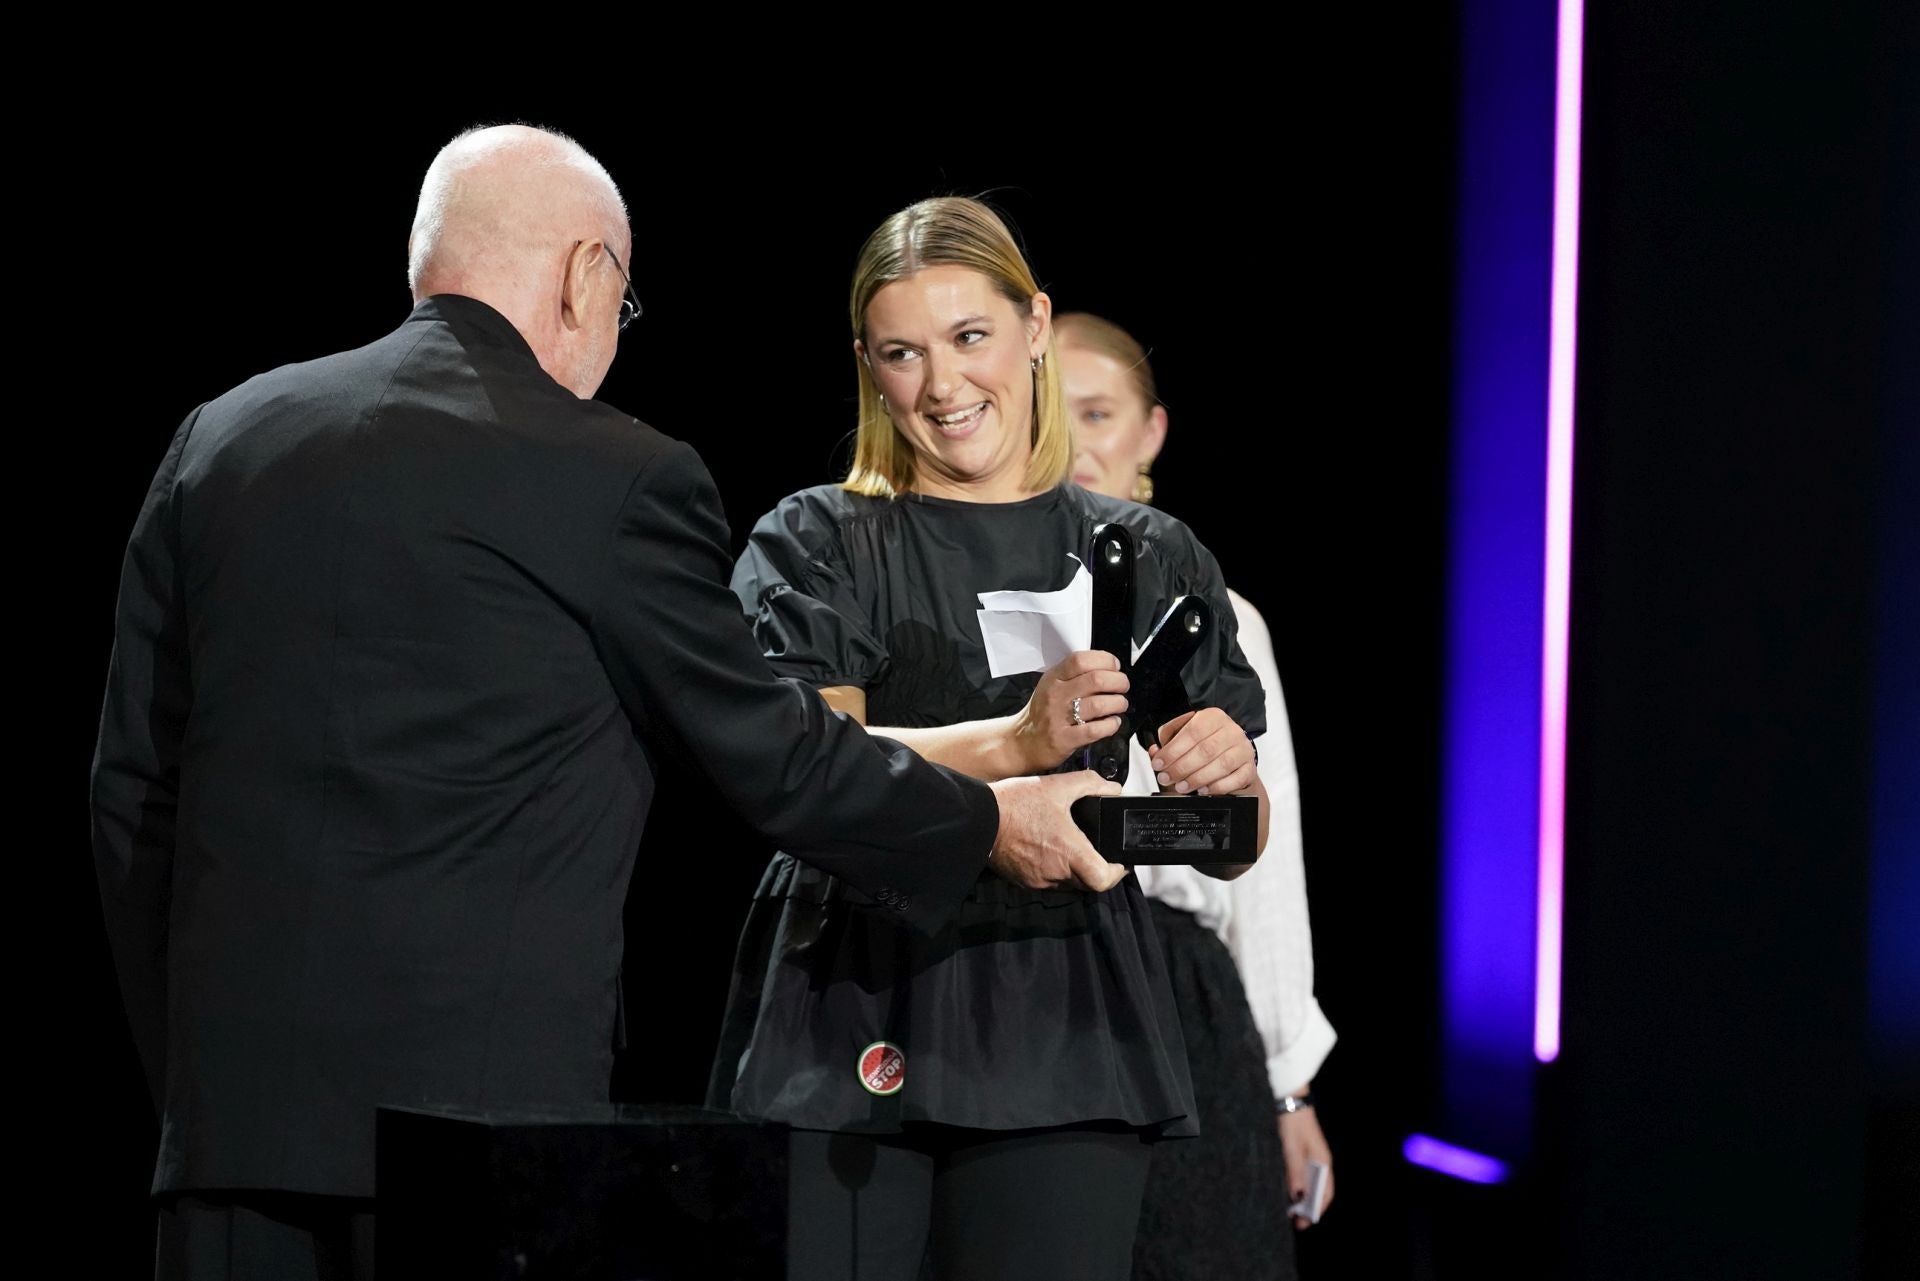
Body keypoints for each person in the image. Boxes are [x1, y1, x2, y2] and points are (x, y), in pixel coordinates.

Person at [89, 127, 1122, 1281]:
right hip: (484, 1130)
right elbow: (771, 753)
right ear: (588, 277)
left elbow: (133, 790)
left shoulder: (221, 439)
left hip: (234, 1125)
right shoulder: (616, 473)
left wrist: (193, 1070)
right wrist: (989, 822)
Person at [707, 197, 1271, 1281]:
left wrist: (1223, 783)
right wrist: (1013, 745)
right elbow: (810, 773)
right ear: (869, 368)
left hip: (1070, 1020)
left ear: (1037, 328)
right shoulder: (817, 540)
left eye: (970, 338)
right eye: (903, 353)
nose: (945, 385)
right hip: (852, 997)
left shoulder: (1150, 552)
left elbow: (1232, 843)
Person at [1055, 311, 1339, 1280]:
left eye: (1097, 412)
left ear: (1151, 432)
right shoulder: (970, 600)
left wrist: (1287, 1090)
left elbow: (1267, 866)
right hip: (1023, 974)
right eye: (1049, 411)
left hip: (1179, 1000)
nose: (1074, 438)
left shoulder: (1219, 619)